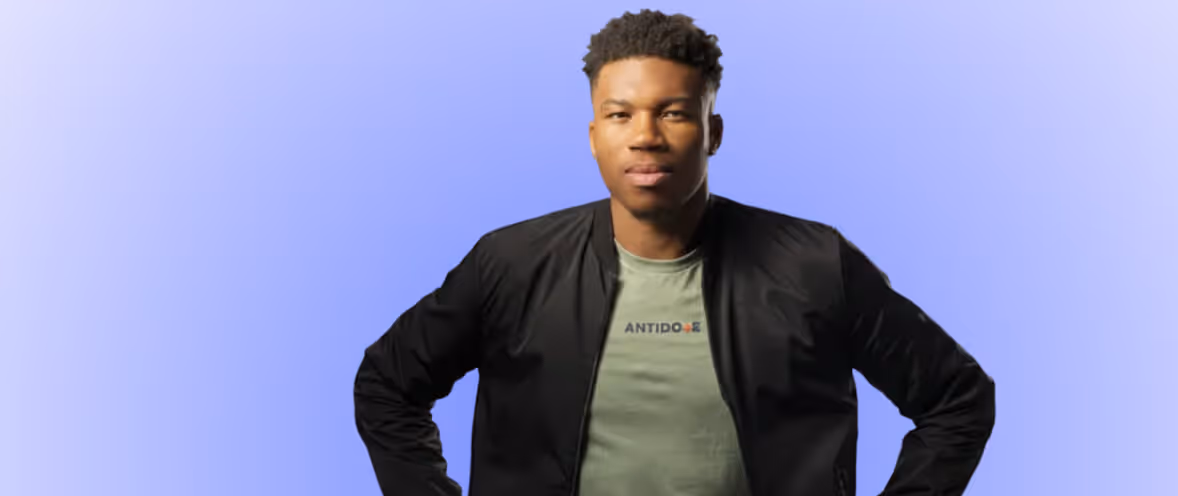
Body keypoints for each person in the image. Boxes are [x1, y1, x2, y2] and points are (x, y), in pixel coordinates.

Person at [354, 9, 995, 496]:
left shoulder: (813, 264)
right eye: (620, 114)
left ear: (711, 131)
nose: (645, 138)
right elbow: (388, 384)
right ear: (593, 136)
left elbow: (957, 398)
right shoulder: (511, 264)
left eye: (673, 113)